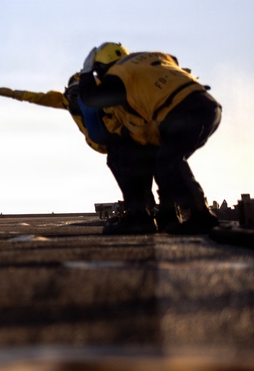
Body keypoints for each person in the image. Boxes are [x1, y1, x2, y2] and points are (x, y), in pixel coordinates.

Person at [0, 70, 162, 234]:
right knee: (127, 170)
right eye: (73, 93)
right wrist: (11, 93)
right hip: (117, 144)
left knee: (131, 170)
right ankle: (146, 214)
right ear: (67, 93)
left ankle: (142, 216)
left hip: (130, 139)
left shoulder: (108, 102)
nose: (77, 100)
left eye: (81, 93)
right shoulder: (65, 101)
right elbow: (36, 97)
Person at [78, 42, 220, 234]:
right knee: (167, 162)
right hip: (207, 106)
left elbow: (93, 98)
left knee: (167, 163)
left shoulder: (119, 75)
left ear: (102, 68)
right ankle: (171, 216)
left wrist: (86, 73)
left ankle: (199, 216)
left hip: (180, 111)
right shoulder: (155, 56)